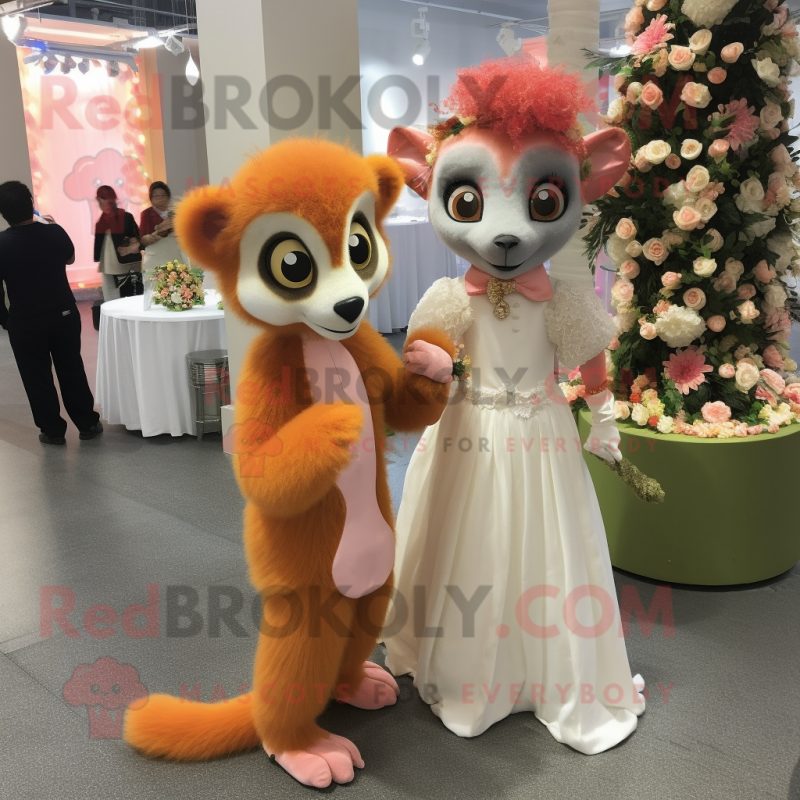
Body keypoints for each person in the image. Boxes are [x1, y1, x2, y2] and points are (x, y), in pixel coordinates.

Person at [0, 180, 102, 445]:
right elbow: (69, 258)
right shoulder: (54, 231)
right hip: (63, 313)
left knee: (37, 378)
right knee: (71, 369)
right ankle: (88, 423)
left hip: (25, 320)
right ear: (31, 203)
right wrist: (51, 227)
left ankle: (52, 430)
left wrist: (5, 319)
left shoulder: (2, 243)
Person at [93, 185, 142, 301]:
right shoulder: (101, 222)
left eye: (106, 200)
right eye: (101, 200)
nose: (104, 203)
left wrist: (133, 242)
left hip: (127, 262)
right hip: (110, 263)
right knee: (112, 294)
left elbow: (137, 237)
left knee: (131, 294)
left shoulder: (126, 217)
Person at [139, 181, 184, 272]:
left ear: (168, 197)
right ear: (151, 198)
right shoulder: (146, 214)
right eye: (156, 196)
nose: (160, 198)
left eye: (162, 195)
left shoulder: (176, 212)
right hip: (155, 254)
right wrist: (159, 231)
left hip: (175, 253)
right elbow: (143, 236)